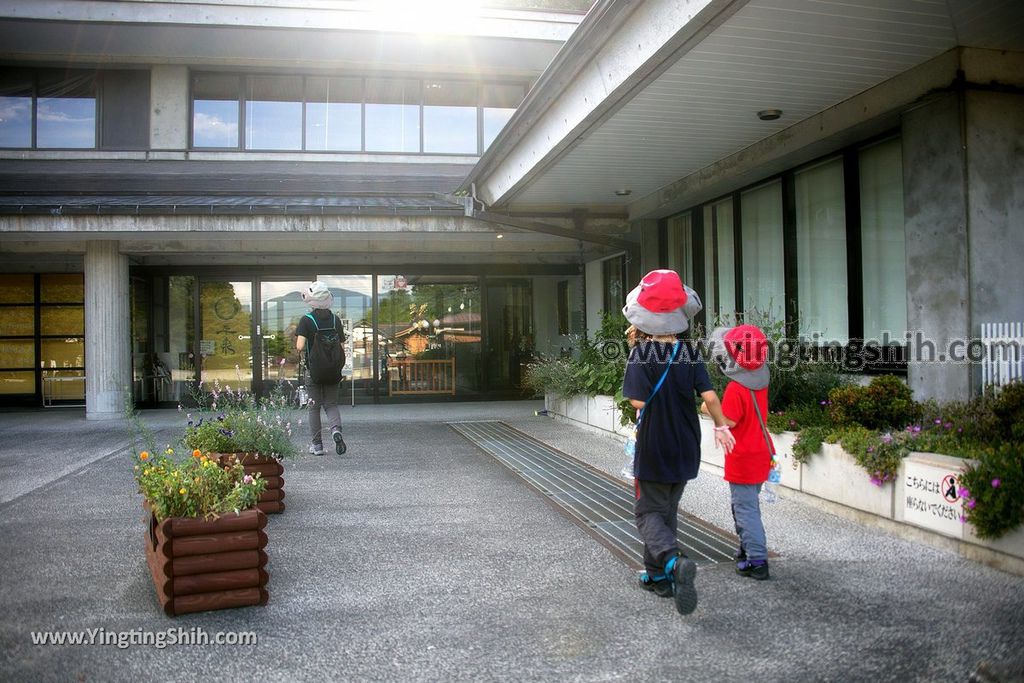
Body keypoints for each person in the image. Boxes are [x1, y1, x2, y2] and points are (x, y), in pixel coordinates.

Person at [621, 269, 735, 615]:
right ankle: (657, 577)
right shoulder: (689, 353)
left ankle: (672, 561)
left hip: (655, 444)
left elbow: (638, 401)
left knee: (647, 512)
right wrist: (721, 426)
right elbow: (712, 397)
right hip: (686, 443)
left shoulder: (641, 354)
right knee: (666, 510)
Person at [703, 324, 773, 580]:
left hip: (742, 456)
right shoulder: (760, 383)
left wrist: (707, 407)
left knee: (745, 509)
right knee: (747, 504)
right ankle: (745, 552)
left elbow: (728, 421)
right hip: (762, 452)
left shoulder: (735, 389)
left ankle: (757, 560)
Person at [295, 281, 347, 456]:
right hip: (333, 370)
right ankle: (336, 431)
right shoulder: (335, 319)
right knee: (331, 404)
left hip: (314, 370)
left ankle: (317, 446)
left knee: (314, 407)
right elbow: (340, 344)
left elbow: (300, 346)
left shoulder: (306, 320)